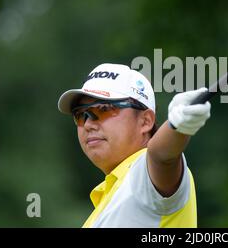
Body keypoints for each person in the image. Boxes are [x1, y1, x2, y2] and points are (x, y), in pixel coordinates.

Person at [57, 63, 211, 227]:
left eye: (103, 109)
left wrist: (177, 125)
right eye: (81, 115)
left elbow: (161, 156)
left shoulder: (144, 174)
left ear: (145, 121)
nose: (88, 124)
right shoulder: (106, 199)